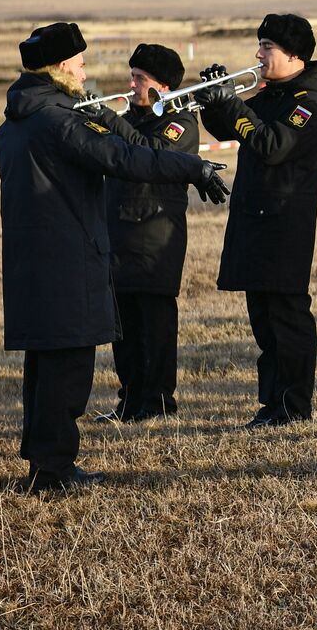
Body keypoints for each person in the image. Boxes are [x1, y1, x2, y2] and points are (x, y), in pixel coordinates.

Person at [0, 23, 227, 491]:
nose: (85, 73)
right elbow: (126, 158)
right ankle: (55, 470)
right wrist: (194, 167)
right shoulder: (60, 122)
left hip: (30, 262)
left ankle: (44, 460)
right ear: (61, 68)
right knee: (68, 369)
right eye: (80, 65)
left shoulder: (14, 123)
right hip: (66, 262)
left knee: (43, 366)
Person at [197, 13, 317, 428]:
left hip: (284, 222)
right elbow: (233, 126)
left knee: (288, 317)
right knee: (263, 318)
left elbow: (270, 144)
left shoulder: (310, 104)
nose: (258, 55)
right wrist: (213, 98)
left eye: (267, 48)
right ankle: (272, 403)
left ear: (294, 54)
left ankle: (294, 405)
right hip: (256, 217)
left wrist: (233, 103)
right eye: (259, 46)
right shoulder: (278, 93)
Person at [99, 43, 201, 421]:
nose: (131, 84)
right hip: (119, 234)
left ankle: (158, 404)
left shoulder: (181, 122)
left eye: (140, 78)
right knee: (122, 329)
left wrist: (111, 121)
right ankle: (128, 402)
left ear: (164, 86)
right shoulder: (131, 118)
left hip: (156, 236)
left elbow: (152, 155)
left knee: (154, 328)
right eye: (132, 76)